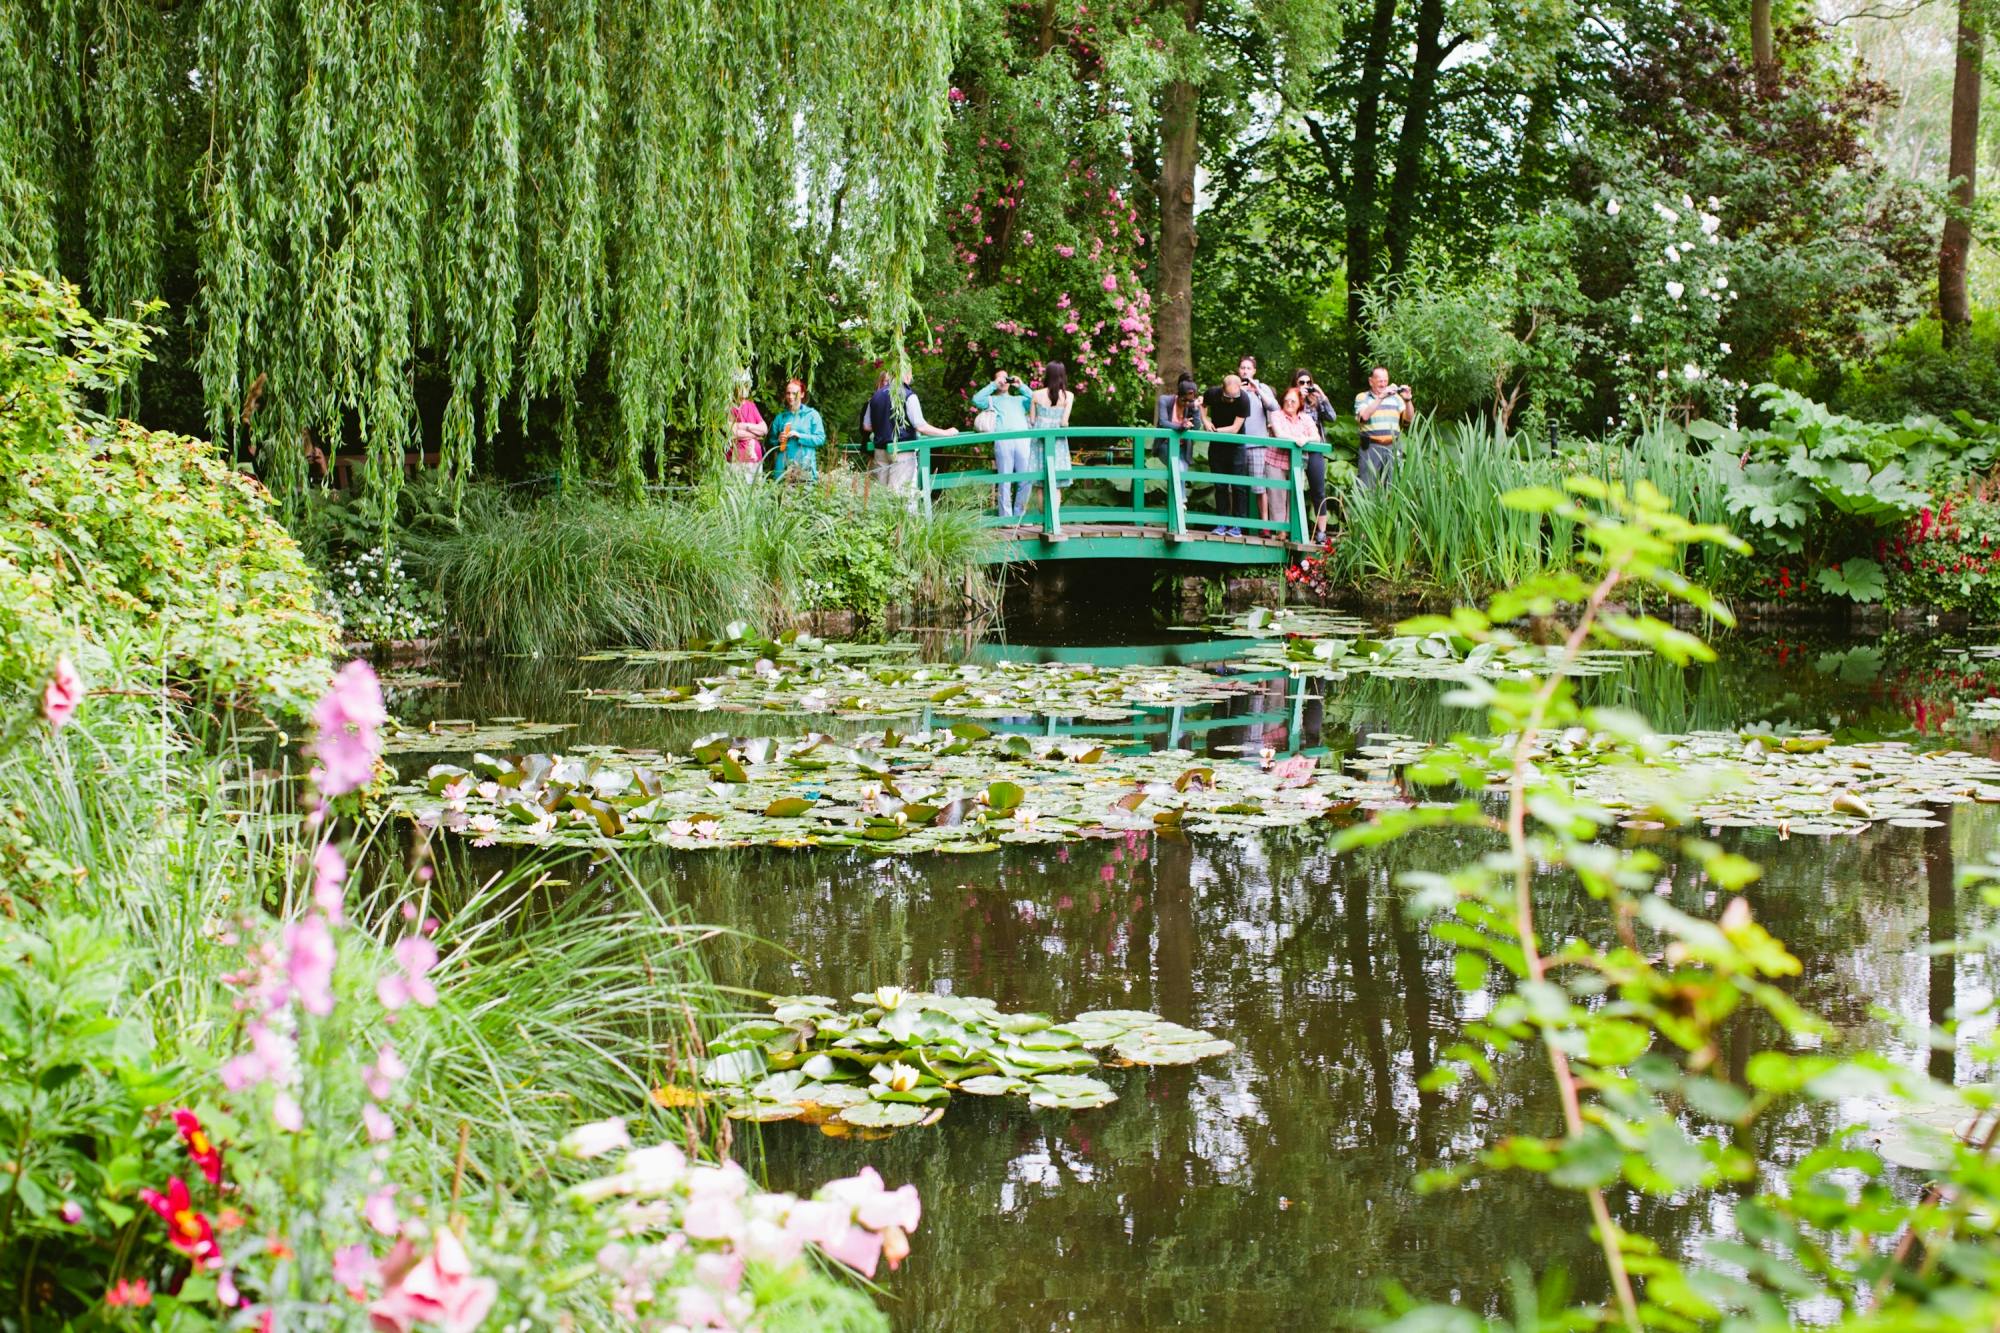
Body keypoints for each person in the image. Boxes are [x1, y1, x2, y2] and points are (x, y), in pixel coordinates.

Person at [862, 371, 955, 494]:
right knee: (898, 494)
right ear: (906, 375)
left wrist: (884, 427)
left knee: (881, 494)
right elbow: (921, 426)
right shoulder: (908, 395)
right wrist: (946, 432)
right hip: (902, 450)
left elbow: (867, 426)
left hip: (880, 451)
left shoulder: (876, 396)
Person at [974, 370, 1035, 519]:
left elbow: (1035, 399)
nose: (1003, 381)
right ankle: (1005, 518)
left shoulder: (1020, 399)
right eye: (999, 378)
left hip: (1023, 440)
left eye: (1005, 378)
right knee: (1005, 480)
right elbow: (976, 399)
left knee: (1026, 480)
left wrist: (1021, 385)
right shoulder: (991, 399)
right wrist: (993, 385)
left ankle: (1020, 516)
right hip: (1003, 441)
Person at [1289, 368, 1341, 543]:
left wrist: (1321, 395)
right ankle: (1291, 528)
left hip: (1314, 449)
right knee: (1293, 489)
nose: (1305, 385)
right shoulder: (1291, 399)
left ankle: (1321, 532)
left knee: (1318, 490)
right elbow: (1287, 415)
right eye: (1301, 382)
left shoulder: (1316, 401)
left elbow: (1332, 417)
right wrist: (1299, 397)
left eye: (1308, 383)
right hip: (1296, 449)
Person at [1201, 373, 1250, 537]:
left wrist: (1215, 430)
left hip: (1236, 445)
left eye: (1234, 397)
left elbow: (1236, 428)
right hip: (1217, 446)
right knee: (1220, 485)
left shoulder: (1243, 399)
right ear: (1222, 390)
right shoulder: (1213, 393)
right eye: (1228, 397)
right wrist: (1205, 421)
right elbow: (1203, 404)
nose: (1231, 400)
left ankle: (1237, 526)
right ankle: (1221, 523)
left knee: (1238, 487)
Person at [1269, 384, 1322, 533]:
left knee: (1294, 497)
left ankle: (1291, 530)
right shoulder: (1276, 415)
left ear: (1300, 403)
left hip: (1296, 463)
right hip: (1276, 461)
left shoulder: (1305, 418)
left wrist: (1304, 439)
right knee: (1277, 496)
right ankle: (1281, 531)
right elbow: (1280, 434)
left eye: (1293, 401)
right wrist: (1297, 438)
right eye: (1287, 400)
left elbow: (1316, 437)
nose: (1289, 403)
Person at [1237, 355, 1280, 527]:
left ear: (1254, 371)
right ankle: (1237, 524)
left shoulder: (1262, 388)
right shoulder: (1234, 388)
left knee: (1259, 487)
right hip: (1237, 444)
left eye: (1248, 368)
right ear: (1238, 370)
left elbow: (1274, 407)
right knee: (1237, 486)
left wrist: (1257, 390)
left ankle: (1264, 525)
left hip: (1258, 445)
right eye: (1242, 368)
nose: (1245, 371)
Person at [1353, 366, 1414, 489]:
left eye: (1385, 381)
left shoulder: (1396, 398)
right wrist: (1381, 397)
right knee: (1367, 486)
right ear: (1371, 381)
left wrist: (1408, 401)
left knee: (1394, 485)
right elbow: (1364, 417)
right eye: (1380, 381)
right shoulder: (1362, 397)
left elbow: (1409, 420)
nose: (1383, 384)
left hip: (1393, 446)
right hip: (1371, 447)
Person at [1154, 372, 1205, 515]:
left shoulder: (1191, 406)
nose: (1186, 404)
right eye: (1184, 401)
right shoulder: (1165, 400)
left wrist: (1195, 410)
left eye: (1189, 401)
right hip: (1165, 445)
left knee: (1179, 470)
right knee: (1178, 468)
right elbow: (1163, 422)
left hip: (1183, 448)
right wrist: (1180, 426)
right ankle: (1181, 501)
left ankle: (1175, 508)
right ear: (1178, 395)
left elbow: (1196, 427)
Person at [1030, 361, 1075, 502]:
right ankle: (1054, 522)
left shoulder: (1036, 395)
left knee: (1040, 485)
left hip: (1039, 442)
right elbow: (1064, 422)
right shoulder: (1068, 396)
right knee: (1056, 484)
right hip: (1058, 443)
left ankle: (1045, 520)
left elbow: (1032, 420)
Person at [767, 378, 826, 481]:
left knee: (804, 495)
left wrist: (799, 436)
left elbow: (820, 439)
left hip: (804, 466)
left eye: (794, 393)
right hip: (783, 468)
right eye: (788, 393)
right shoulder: (780, 417)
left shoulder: (812, 415)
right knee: (781, 496)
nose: (790, 397)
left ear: (802, 394)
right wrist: (778, 440)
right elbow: (771, 441)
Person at [727, 373, 768, 478]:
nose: (745, 388)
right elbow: (734, 432)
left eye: (746, 385)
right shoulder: (728, 407)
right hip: (737, 456)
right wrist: (755, 434)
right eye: (741, 385)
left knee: (754, 490)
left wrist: (745, 426)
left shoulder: (751, 405)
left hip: (755, 457)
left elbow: (764, 429)